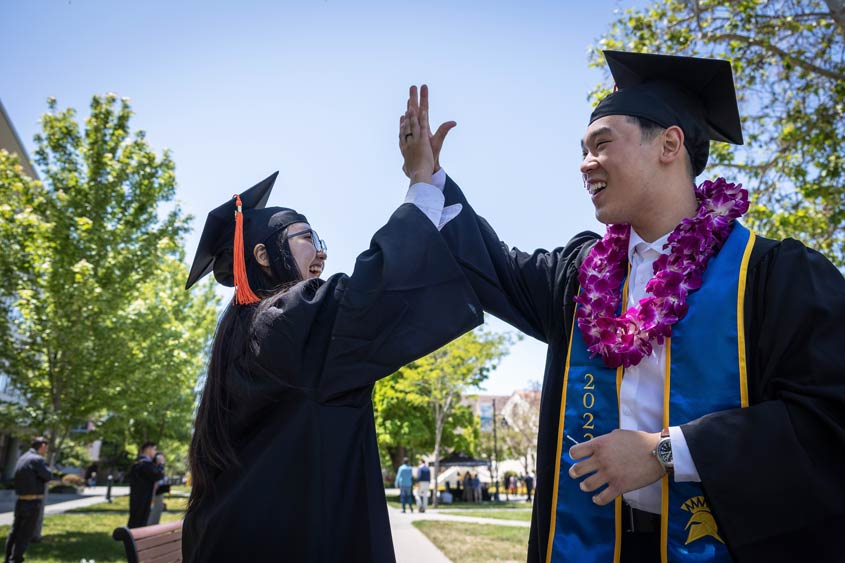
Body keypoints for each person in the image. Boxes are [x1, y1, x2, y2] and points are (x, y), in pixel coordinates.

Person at [401, 50, 845, 563]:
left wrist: (668, 451)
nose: (585, 164)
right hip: (596, 542)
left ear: (670, 144)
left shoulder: (772, 275)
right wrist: (428, 178)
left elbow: (826, 418)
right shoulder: (580, 276)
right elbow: (492, 264)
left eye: (601, 144)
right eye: (582, 150)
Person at [180, 112, 483, 562]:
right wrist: (422, 180)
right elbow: (374, 293)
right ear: (262, 254)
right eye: (306, 237)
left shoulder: (243, 334)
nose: (321, 250)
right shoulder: (284, 322)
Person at [4, 437, 51, 563]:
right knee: (24, 534)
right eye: (46, 447)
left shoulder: (23, 457)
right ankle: (16, 560)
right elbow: (47, 476)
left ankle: (8, 559)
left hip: (21, 501)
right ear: (42, 445)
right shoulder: (37, 459)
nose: (46, 450)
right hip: (32, 502)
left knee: (15, 532)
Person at [127, 441, 165, 529]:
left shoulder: (140, 463)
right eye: (154, 450)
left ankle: (132, 539)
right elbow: (158, 475)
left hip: (139, 497)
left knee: (137, 520)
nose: (155, 453)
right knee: (139, 522)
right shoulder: (143, 464)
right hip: (142, 499)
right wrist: (161, 464)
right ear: (149, 449)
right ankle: (133, 540)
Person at [147, 453, 169, 526]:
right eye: (161, 458)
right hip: (154, 492)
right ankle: (150, 525)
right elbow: (157, 478)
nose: (163, 460)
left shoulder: (160, 467)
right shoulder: (154, 467)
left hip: (159, 492)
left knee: (158, 509)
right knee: (153, 509)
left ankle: (154, 525)